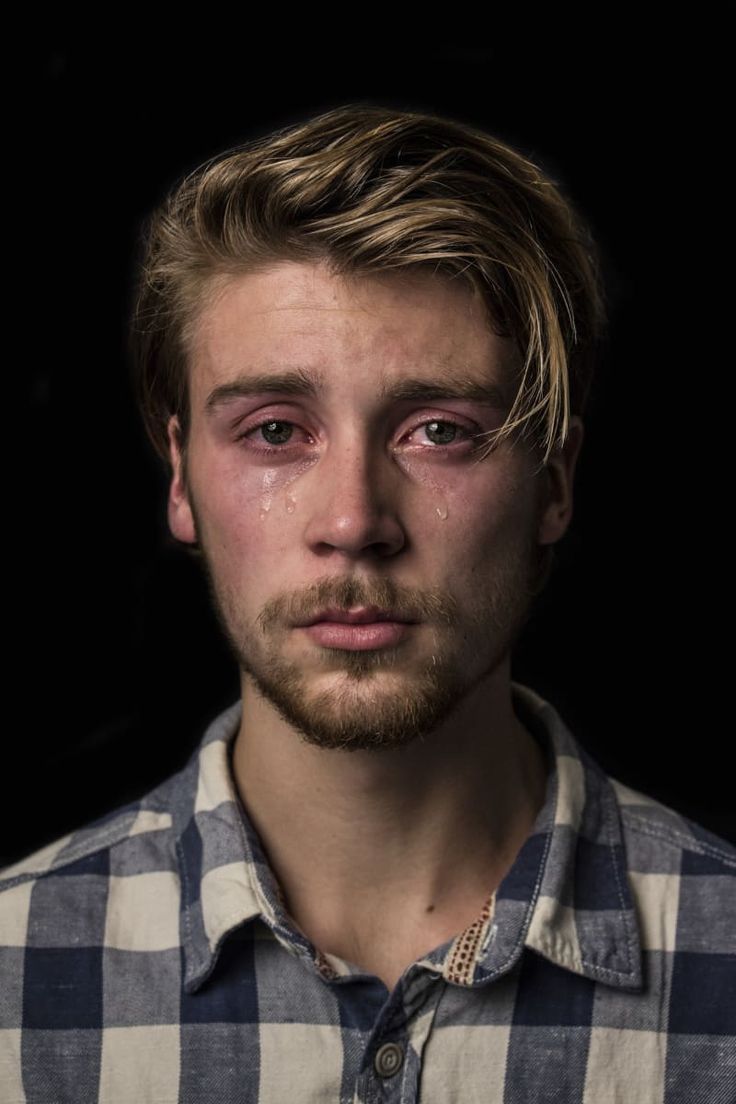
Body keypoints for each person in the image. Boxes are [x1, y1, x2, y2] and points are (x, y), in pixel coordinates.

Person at [1, 103, 733, 1104]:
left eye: (437, 429)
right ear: (180, 479)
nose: (352, 521)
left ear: (553, 483)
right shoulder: (11, 968)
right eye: (272, 431)